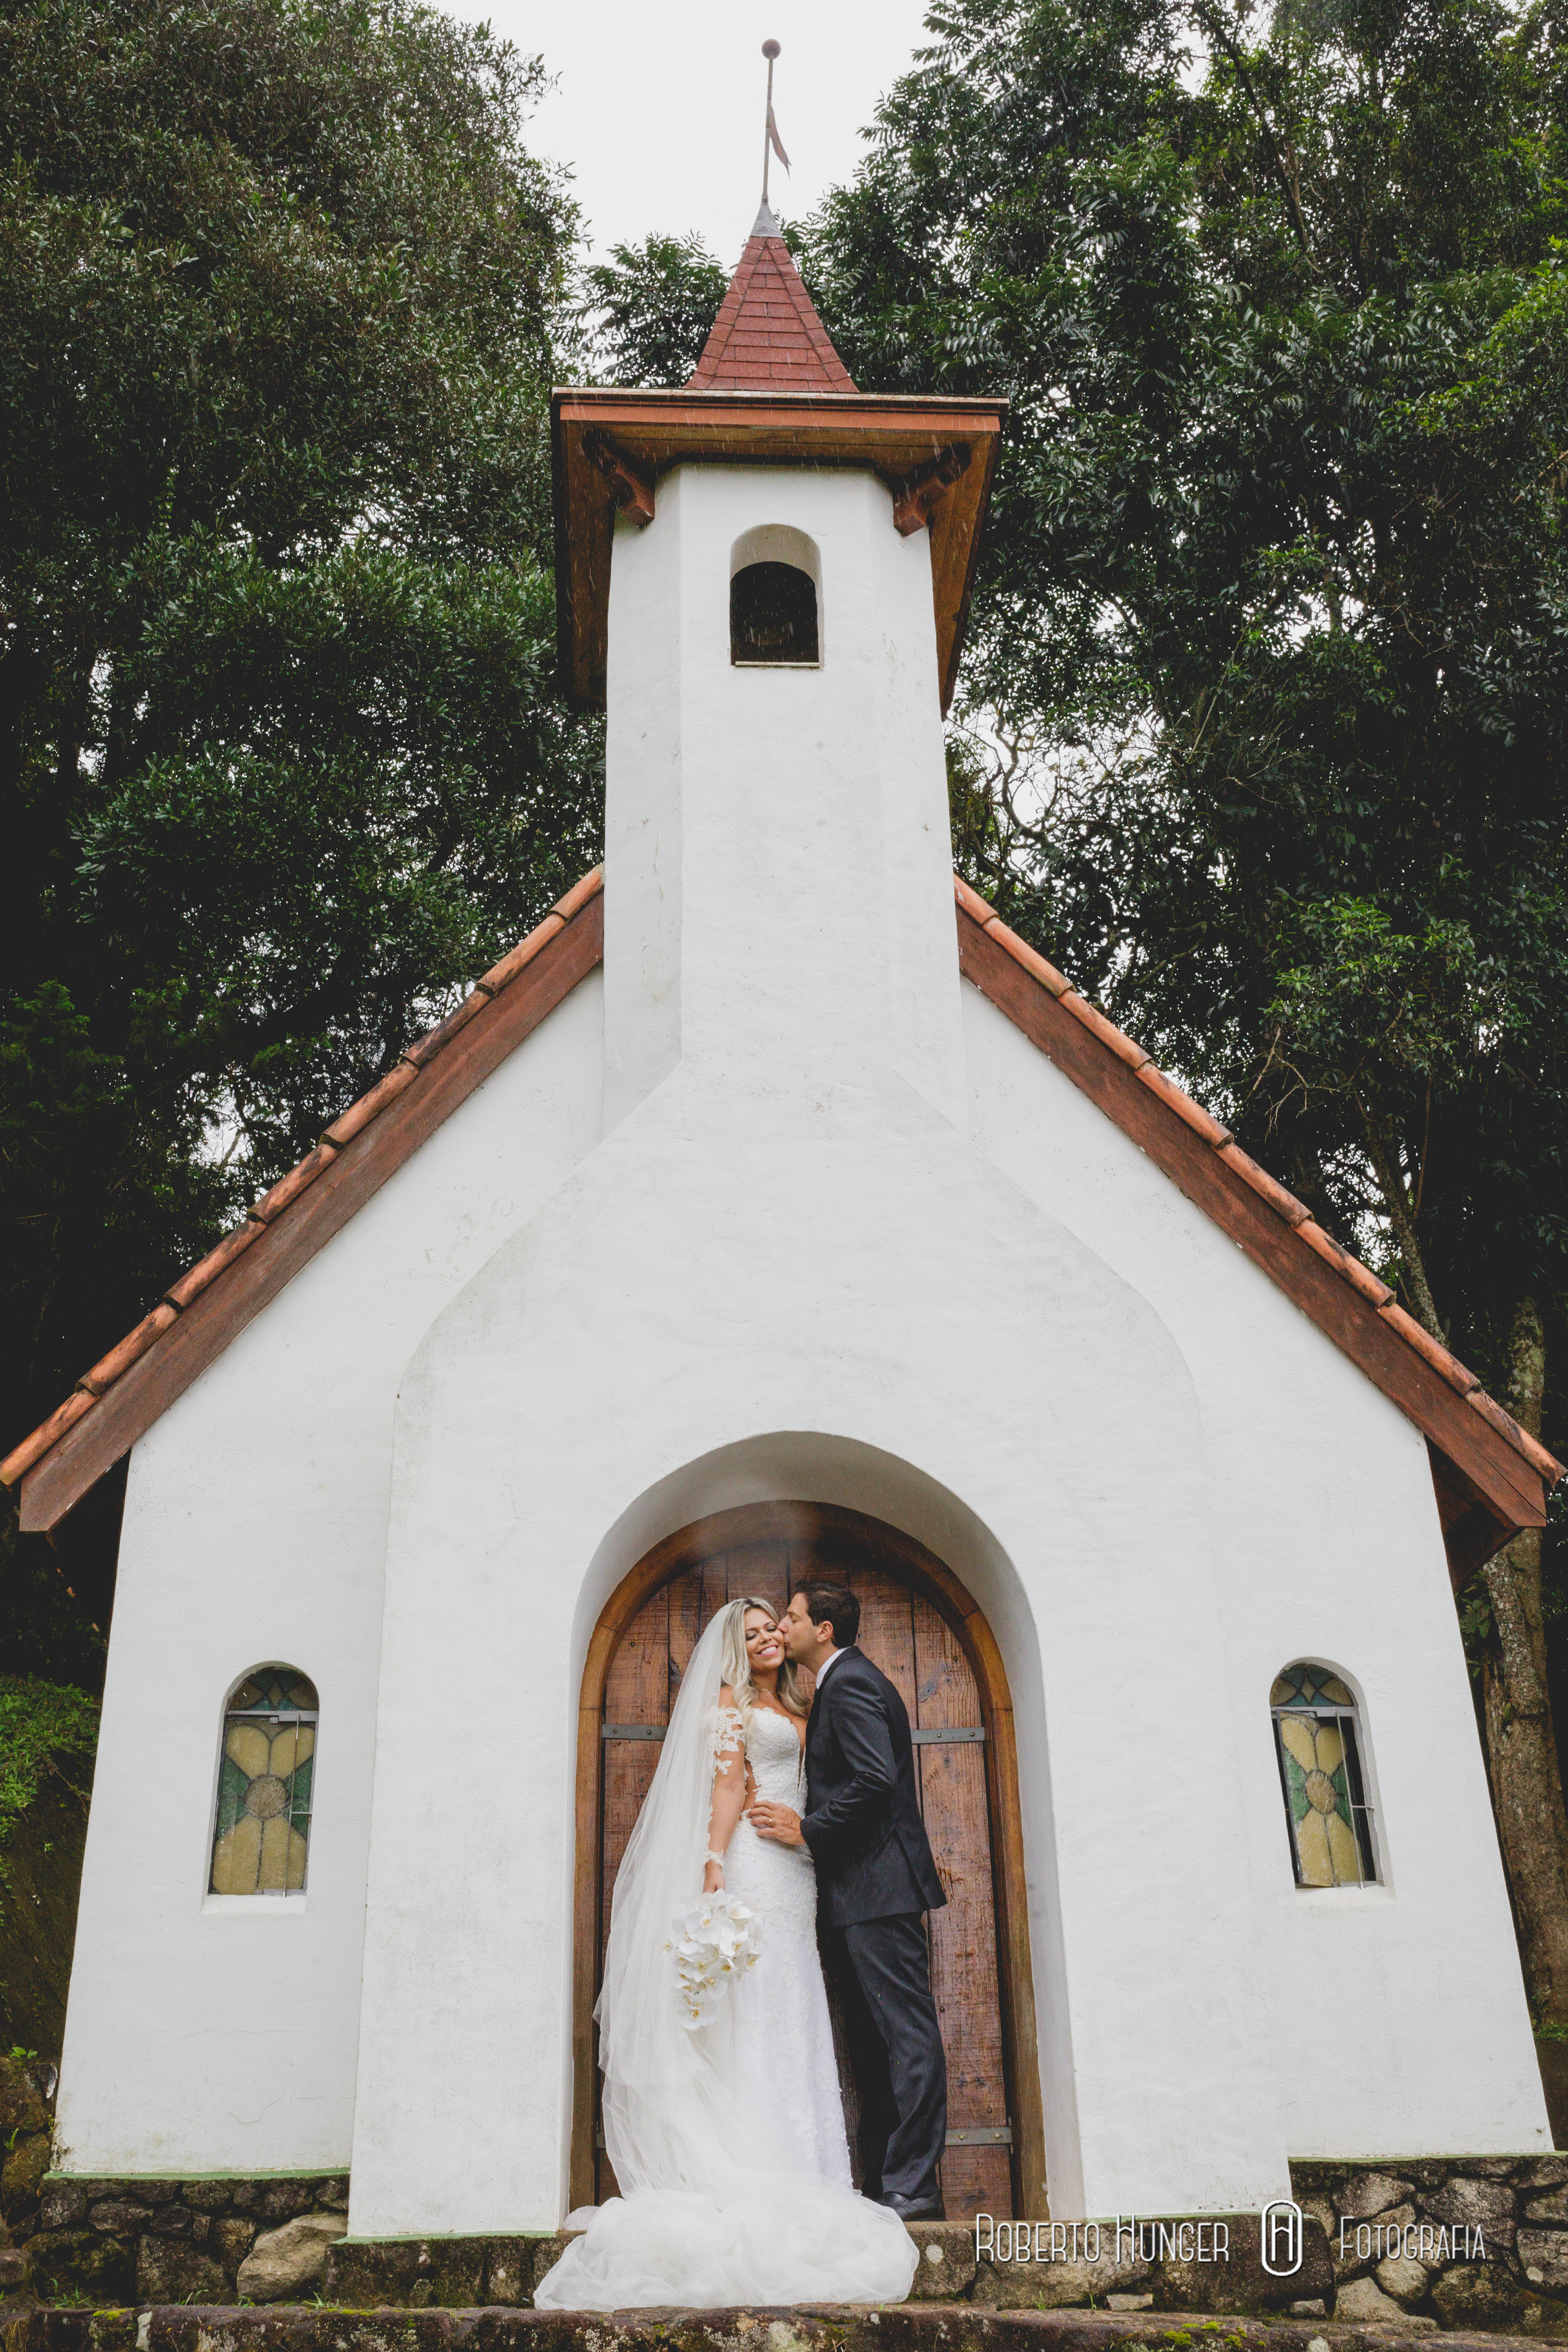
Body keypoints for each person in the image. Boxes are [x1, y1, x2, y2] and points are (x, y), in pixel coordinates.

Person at [533, 1596, 917, 2310]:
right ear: (734, 1649)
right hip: (755, 1862)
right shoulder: (726, 1702)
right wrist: (714, 1861)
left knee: (795, 2001)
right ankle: (756, 2166)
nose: (769, 1637)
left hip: (800, 1869)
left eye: (774, 1627)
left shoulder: (809, 1698)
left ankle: (812, 2169)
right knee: (758, 2001)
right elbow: (729, 1783)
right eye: (753, 1633)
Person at [749, 1582, 949, 2220]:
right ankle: (888, 2186)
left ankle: (913, 2188)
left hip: (879, 1889)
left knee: (907, 2038)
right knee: (876, 2044)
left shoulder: (853, 1684)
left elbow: (872, 1780)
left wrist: (806, 1829)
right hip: (857, 1894)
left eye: (793, 1617)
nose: (783, 1627)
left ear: (825, 1629)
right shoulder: (836, 1684)